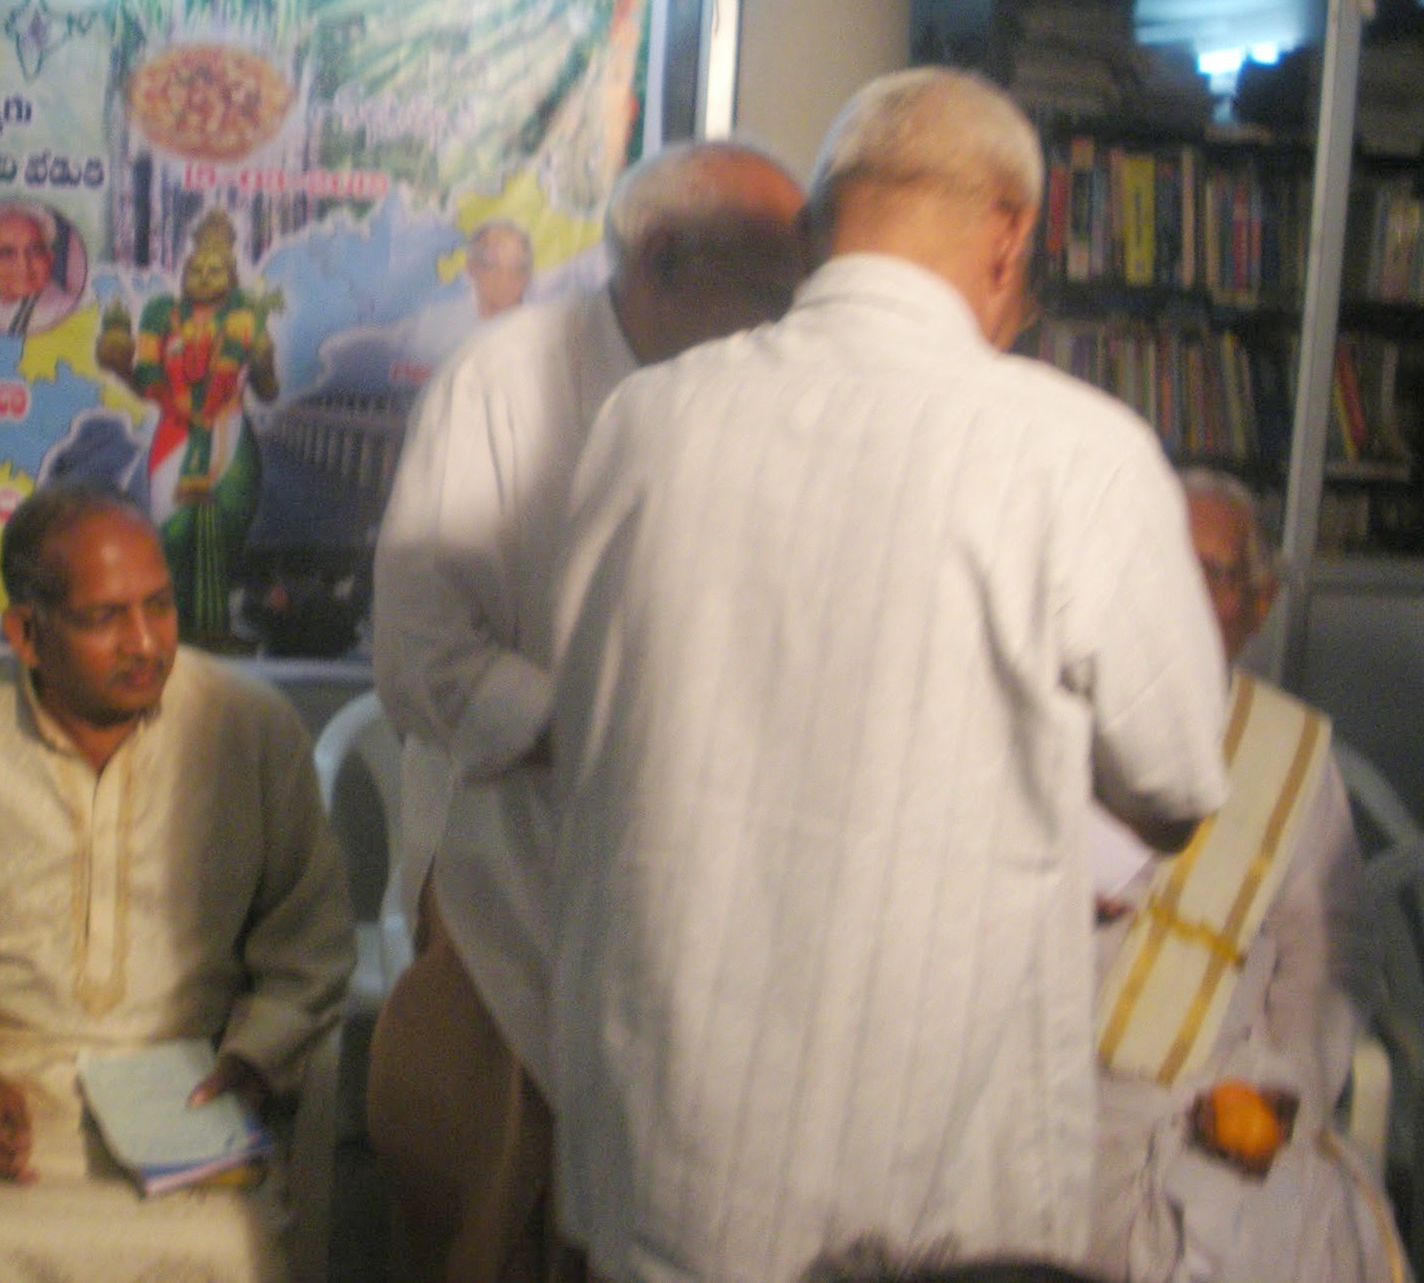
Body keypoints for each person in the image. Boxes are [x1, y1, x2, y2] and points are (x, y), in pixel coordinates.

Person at [547, 67, 1229, 1281]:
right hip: (920, 1174)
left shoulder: (645, 421)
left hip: (659, 1140)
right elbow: (1176, 777)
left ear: (819, 228)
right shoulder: (1075, 453)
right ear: (1008, 236)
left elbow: (590, 715)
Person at [368, 140, 808, 1283]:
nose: (792, 321)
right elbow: (419, 655)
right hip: (515, 872)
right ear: (656, 260)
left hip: (705, 906)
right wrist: (620, 733)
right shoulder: (506, 381)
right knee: (496, 1224)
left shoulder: (780, 397)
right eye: (772, 291)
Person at [0, 481, 353, 1283]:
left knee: (225, 1253)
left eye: (160, 606)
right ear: (27, 634)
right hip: (4, 1090)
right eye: (105, 617)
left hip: (193, 1092)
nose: (145, 643)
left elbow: (310, 935)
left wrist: (253, 1060)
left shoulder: (248, 727)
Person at [1086, 469, 1401, 1283]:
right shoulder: (1062, 719)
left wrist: (1283, 1085)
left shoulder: (1288, 753)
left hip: (1211, 1100)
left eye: (1215, 573)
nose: (1183, 594)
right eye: (1163, 564)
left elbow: (1329, 952)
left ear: (1258, 606)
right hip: (1047, 1087)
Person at [95, 206, 283, 643]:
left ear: (231, 275)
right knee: (172, 534)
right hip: (175, 435)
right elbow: (146, 381)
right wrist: (120, 365)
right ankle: (170, 630)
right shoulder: (162, 313)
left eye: (214, 270)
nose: (203, 277)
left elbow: (268, 391)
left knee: (228, 528)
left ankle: (217, 628)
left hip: (229, 436)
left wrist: (263, 360)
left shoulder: (246, 316)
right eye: (195, 269)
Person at [0, 201, 80, 336]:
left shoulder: (70, 311)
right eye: (7, 253)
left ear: (49, 259)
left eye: (35, 250)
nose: (23, 265)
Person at [466, 220, 534, 320]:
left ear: (527, 276)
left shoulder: (545, 324)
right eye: (493, 267)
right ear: (471, 268)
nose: (504, 280)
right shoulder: (451, 322)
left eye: (516, 269)